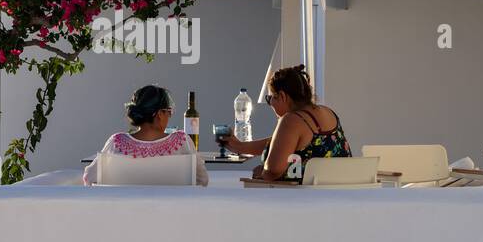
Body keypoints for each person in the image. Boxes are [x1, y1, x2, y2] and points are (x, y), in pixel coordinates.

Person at [217, 64, 351, 182]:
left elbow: (273, 171)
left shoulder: (291, 119)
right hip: (337, 195)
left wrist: (262, 172)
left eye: (270, 99)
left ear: (282, 96)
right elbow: (282, 144)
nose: (270, 105)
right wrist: (239, 146)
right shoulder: (327, 112)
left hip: (303, 200)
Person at [83, 84, 209, 186]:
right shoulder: (182, 141)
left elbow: (89, 178)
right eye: (169, 112)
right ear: (159, 114)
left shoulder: (116, 142)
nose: (169, 116)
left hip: (124, 215)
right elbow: (202, 180)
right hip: (172, 215)